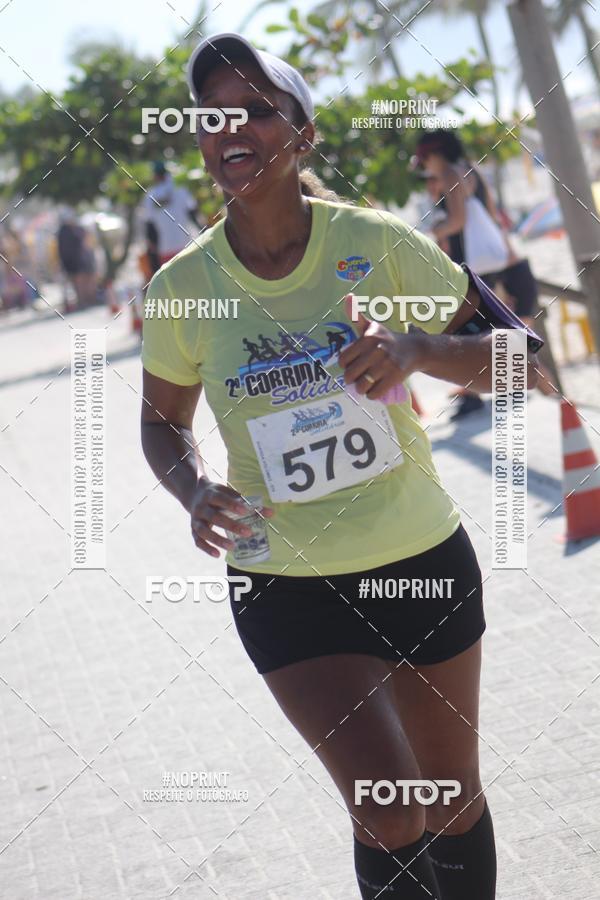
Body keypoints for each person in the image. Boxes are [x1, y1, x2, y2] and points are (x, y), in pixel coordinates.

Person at [141, 33, 542, 900]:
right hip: (285, 580)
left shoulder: (379, 244)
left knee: (449, 799)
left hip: (420, 558)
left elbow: (527, 360)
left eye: (256, 107)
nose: (232, 125)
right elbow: (158, 424)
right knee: (391, 807)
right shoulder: (181, 290)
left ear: (303, 134)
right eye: (214, 113)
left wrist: (418, 348)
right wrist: (191, 487)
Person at [413, 129, 553, 415]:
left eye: (424, 159)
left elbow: (458, 221)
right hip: (501, 266)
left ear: (434, 154)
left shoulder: (451, 174)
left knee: (500, 344)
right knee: (522, 346)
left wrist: (428, 232)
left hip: (480, 275)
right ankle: (562, 404)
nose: (425, 166)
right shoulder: (470, 171)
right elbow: (491, 217)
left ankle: (560, 406)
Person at [141, 161, 203, 273]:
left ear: (155, 175)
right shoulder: (181, 190)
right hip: (186, 246)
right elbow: (193, 212)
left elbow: (149, 224)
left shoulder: (150, 196)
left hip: (165, 249)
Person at [56, 208, 98, 309]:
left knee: (83, 280)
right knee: (78, 281)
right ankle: (82, 300)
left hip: (78, 260)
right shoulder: (65, 232)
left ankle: (86, 299)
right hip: (72, 261)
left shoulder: (74, 230)